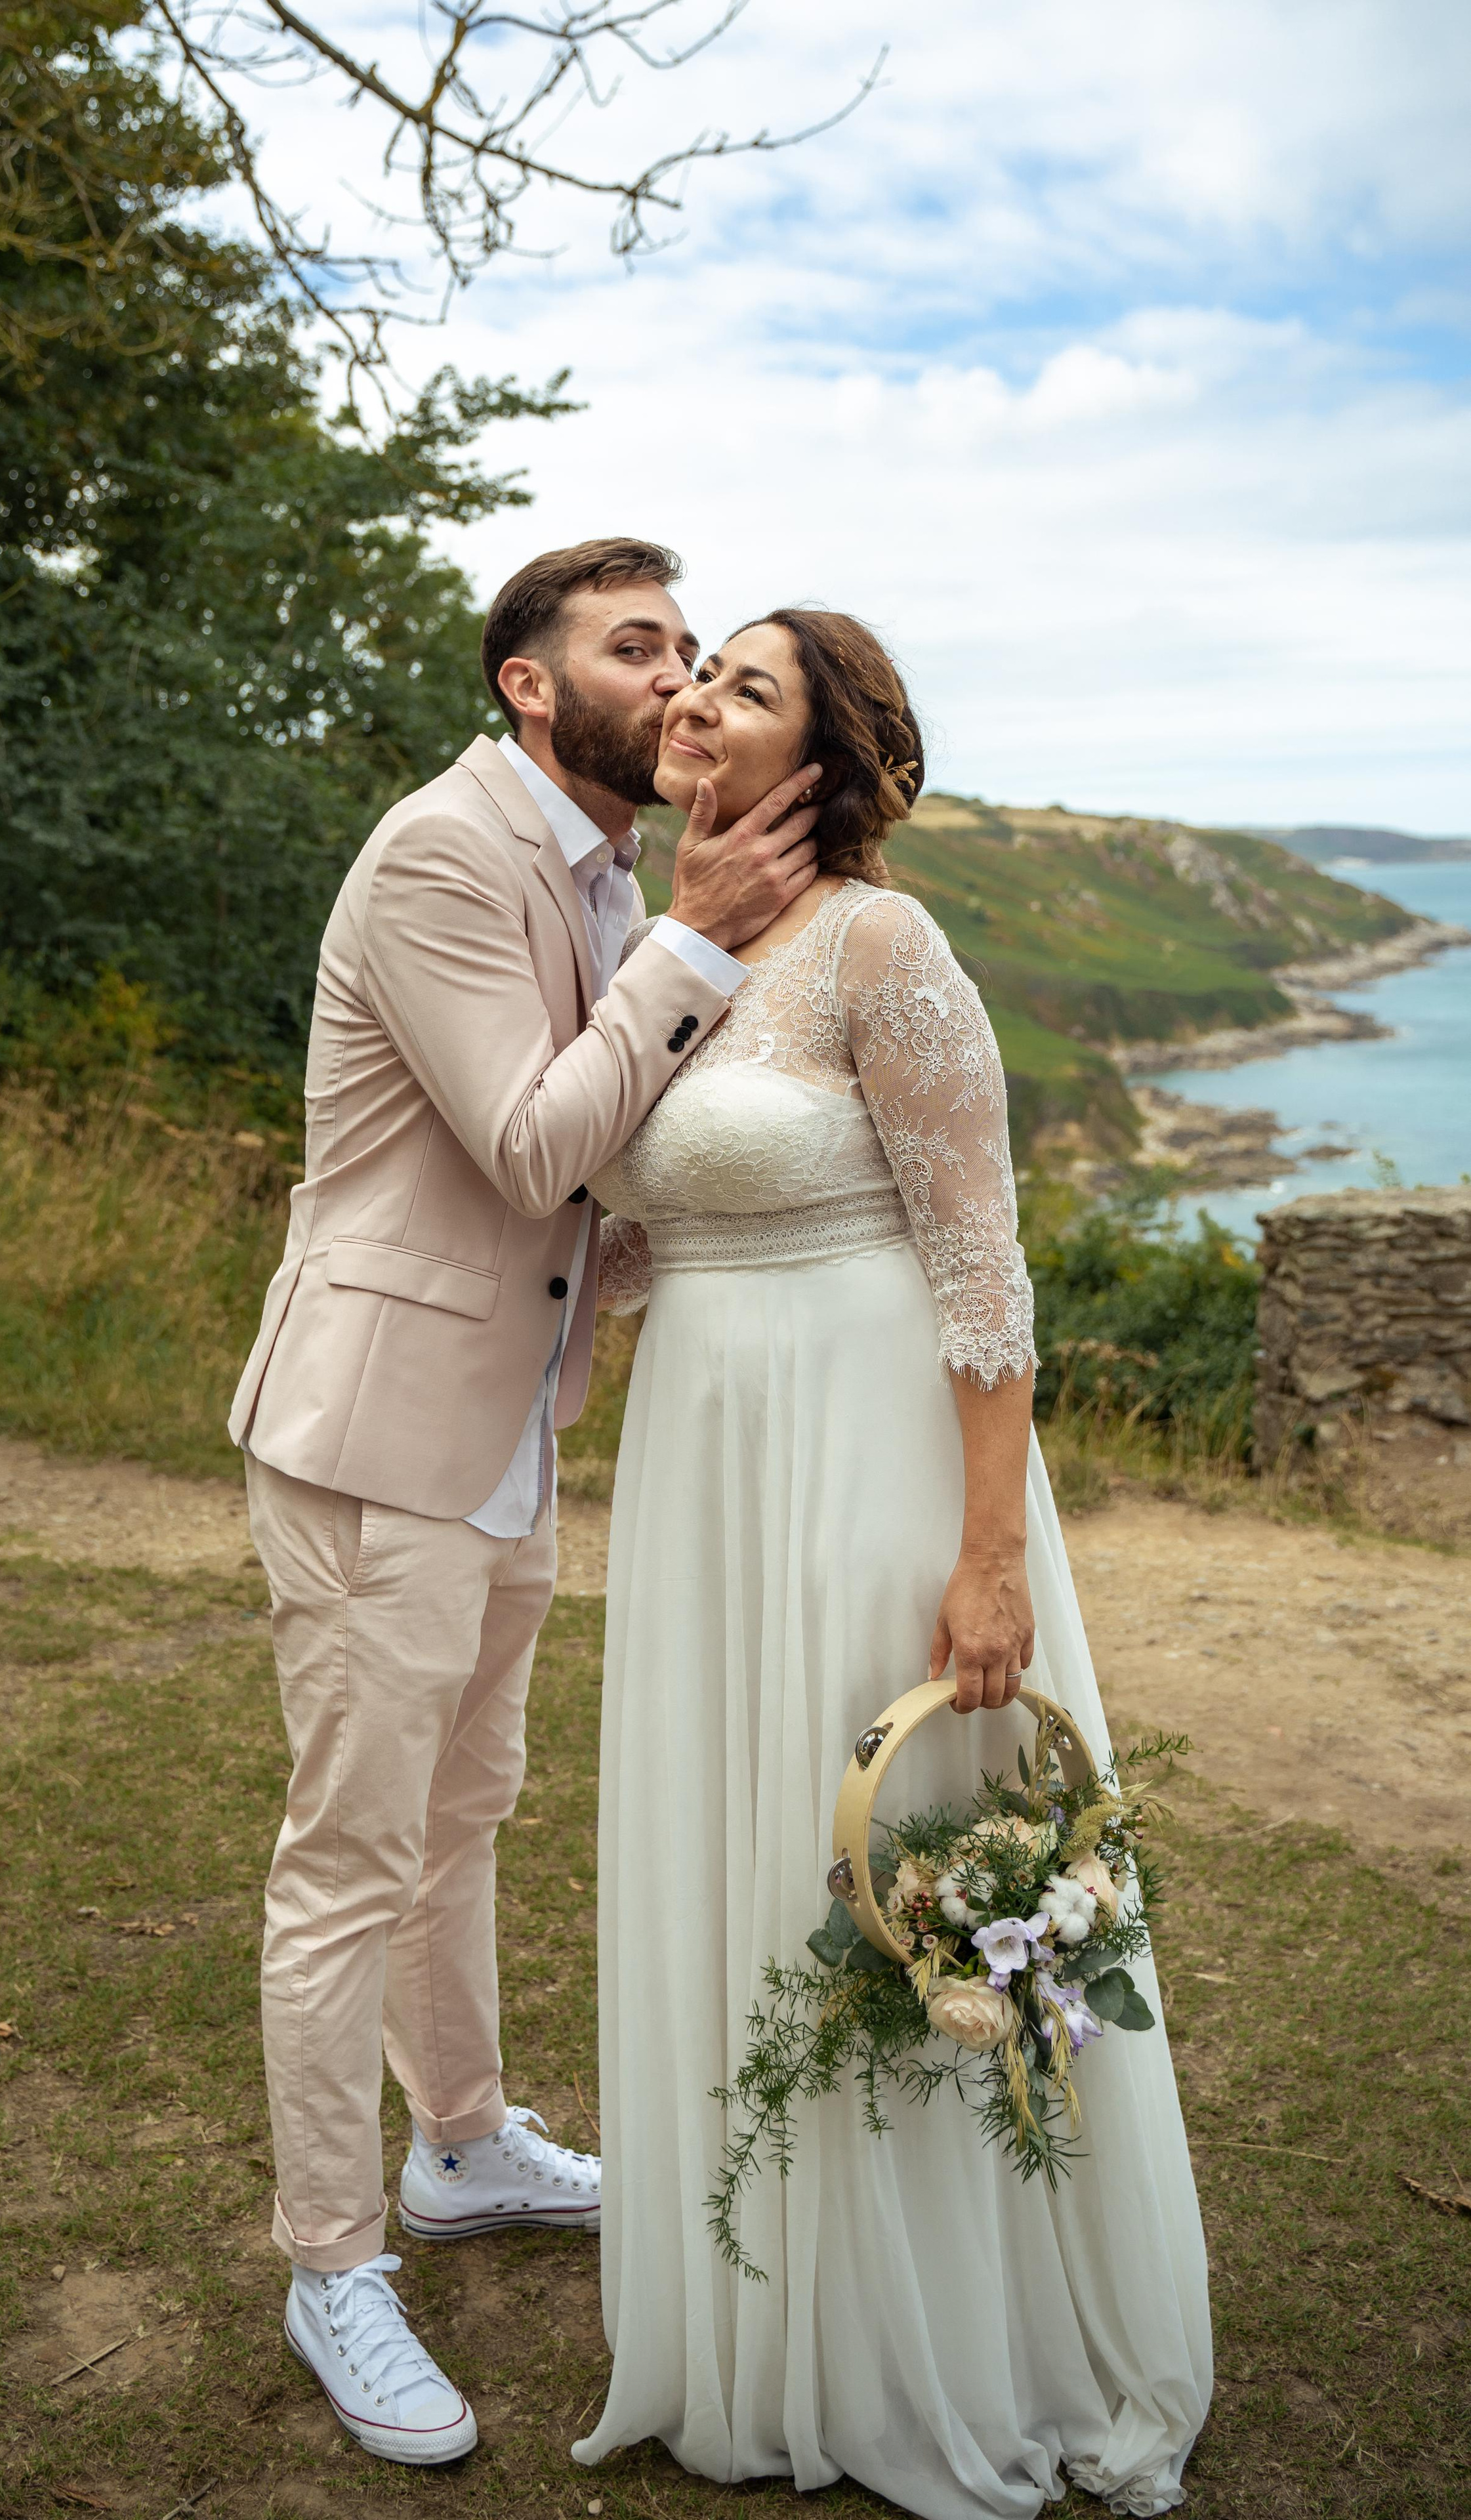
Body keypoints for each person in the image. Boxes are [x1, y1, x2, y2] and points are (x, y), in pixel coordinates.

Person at [574, 610, 1212, 2517]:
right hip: (699, 1451)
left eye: (745, 686)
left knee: (871, 1858)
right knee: (732, 1853)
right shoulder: (653, 945)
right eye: (699, 676)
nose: (697, 698)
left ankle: (958, 2325)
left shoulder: (880, 941)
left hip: (869, 1455)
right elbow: (606, 1214)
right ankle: (762, 2321)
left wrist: (992, 1555)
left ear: (830, 765)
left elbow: (983, 1269)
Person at [228, 537, 823, 2465]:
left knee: (464, 1815)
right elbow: (530, 1145)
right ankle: (334, 2266)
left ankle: (464, 2143)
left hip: (508, 1430)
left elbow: (594, 1218)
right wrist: (705, 944)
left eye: (687, 650)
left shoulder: (603, 869)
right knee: (349, 1858)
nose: (672, 683)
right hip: (378, 1436)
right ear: (526, 680)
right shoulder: (442, 858)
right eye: (633, 649)